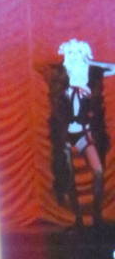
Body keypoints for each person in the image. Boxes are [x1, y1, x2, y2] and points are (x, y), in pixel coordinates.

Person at [40, 39, 115, 228]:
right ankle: (78, 218)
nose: (75, 58)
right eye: (71, 54)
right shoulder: (60, 76)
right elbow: (39, 65)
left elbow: (113, 69)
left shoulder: (90, 78)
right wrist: (64, 60)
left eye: (79, 55)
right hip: (64, 134)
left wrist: (89, 62)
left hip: (84, 133)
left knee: (98, 171)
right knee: (68, 173)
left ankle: (96, 214)